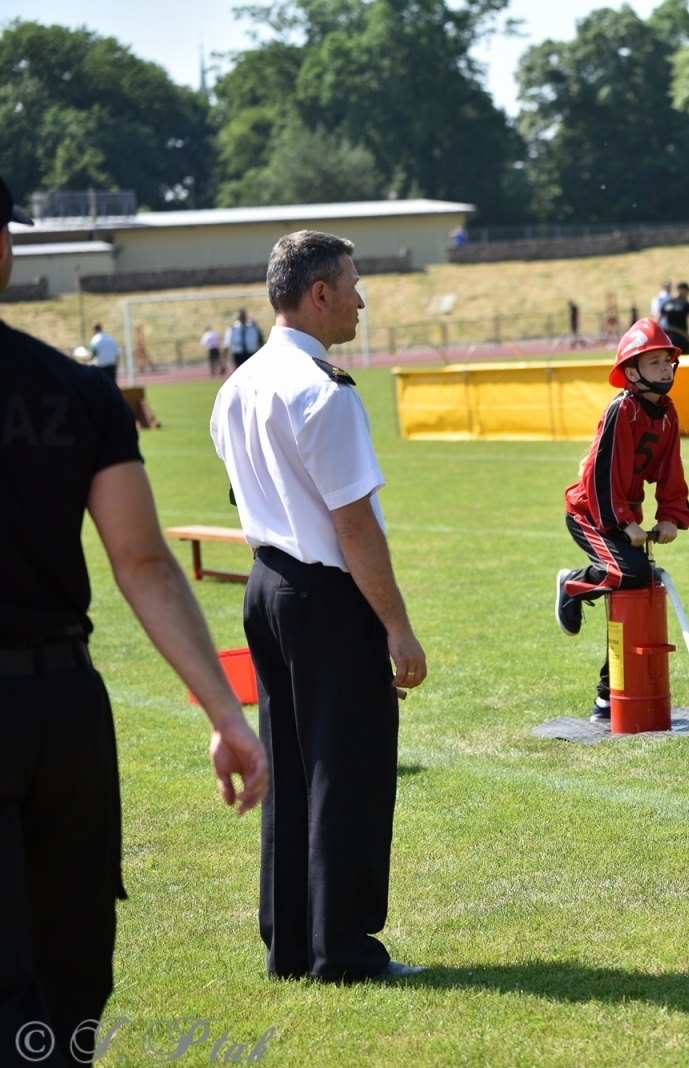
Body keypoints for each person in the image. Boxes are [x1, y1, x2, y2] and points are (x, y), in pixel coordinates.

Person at [0, 174, 267, 1057]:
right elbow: (144, 564)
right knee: (69, 957)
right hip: (62, 710)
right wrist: (226, 716)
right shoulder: (75, 392)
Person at [211, 230, 428, 982]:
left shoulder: (236, 384)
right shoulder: (322, 392)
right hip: (324, 593)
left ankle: (292, 941)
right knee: (348, 770)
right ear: (321, 294)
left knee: (293, 768)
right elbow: (353, 525)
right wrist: (397, 626)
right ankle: (343, 950)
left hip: (265, 585)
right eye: (354, 283)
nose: (362, 299)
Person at [556, 319, 689, 722]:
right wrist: (620, 522)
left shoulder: (666, 415)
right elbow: (601, 472)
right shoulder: (622, 410)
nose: (666, 369)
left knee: (640, 584)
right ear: (631, 373)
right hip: (590, 514)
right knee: (630, 574)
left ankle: (607, 696)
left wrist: (669, 516)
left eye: (668, 360)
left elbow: (672, 471)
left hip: (621, 518)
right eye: (654, 363)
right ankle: (574, 584)